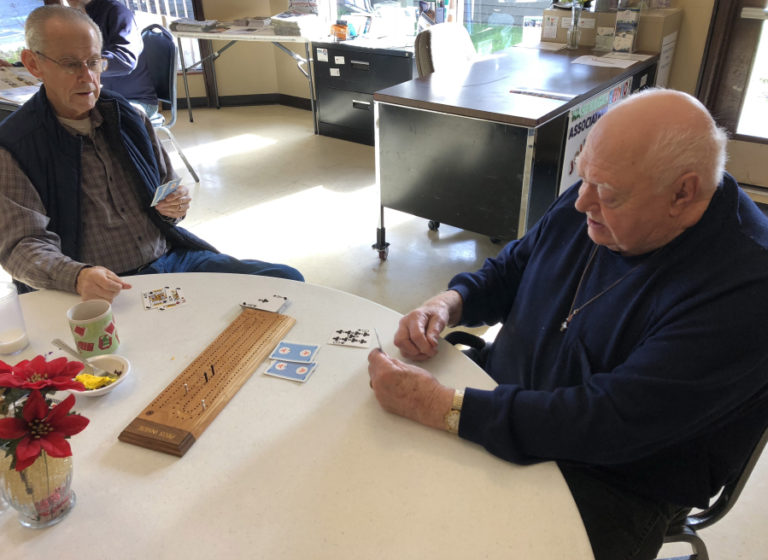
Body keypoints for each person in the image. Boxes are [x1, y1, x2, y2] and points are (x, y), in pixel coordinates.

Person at [367, 88, 768, 560]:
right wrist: (451, 302)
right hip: (502, 395)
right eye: (583, 178)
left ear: (683, 192)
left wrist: (440, 407)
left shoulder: (747, 287)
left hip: (614, 477)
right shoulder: (600, 191)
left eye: (608, 194)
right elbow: (513, 268)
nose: (581, 203)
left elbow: (610, 423)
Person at [0, 6, 303, 303]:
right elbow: (20, 246)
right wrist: (78, 276)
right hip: (102, 289)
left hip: (171, 260)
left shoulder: (129, 119)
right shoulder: (15, 145)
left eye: (94, 62)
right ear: (33, 63)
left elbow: (167, 188)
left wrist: (175, 204)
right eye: (70, 64)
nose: (87, 77)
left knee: (287, 282)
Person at [65, 0, 158, 116]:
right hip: (101, 97)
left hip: (134, 100)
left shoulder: (117, 11)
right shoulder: (77, 17)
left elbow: (125, 60)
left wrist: (85, 66)